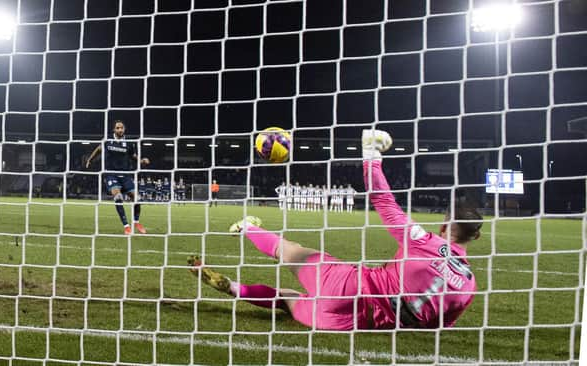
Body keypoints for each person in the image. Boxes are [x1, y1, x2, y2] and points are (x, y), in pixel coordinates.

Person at [188, 129, 482, 330]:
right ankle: (236, 288)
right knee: (286, 299)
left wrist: (372, 156)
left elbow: (384, 201)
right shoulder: (469, 287)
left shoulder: (425, 241)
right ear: (476, 235)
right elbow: (438, 324)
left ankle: (247, 227)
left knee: (288, 251)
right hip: (355, 324)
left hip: (348, 285)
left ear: (445, 224)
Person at [86, 120, 150, 235]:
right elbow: (98, 149)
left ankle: (137, 223)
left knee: (138, 198)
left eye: (122, 128)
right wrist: (90, 159)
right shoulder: (108, 141)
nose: (120, 130)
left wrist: (141, 160)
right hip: (111, 174)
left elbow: (132, 155)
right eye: (118, 128)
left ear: (124, 129)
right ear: (114, 130)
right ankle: (126, 226)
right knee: (118, 196)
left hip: (125, 175)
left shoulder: (129, 143)